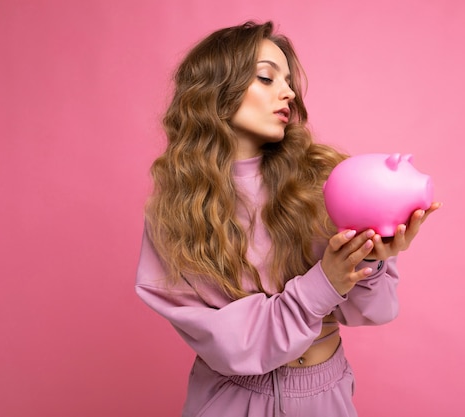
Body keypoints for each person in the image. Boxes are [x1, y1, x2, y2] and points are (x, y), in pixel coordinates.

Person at [135, 20, 440, 417]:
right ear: (214, 91)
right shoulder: (176, 214)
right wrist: (324, 282)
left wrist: (370, 258)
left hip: (324, 396)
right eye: (266, 77)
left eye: (289, 81)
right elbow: (232, 346)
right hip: (229, 400)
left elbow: (375, 311)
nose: (289, 92)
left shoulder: (324, 181)